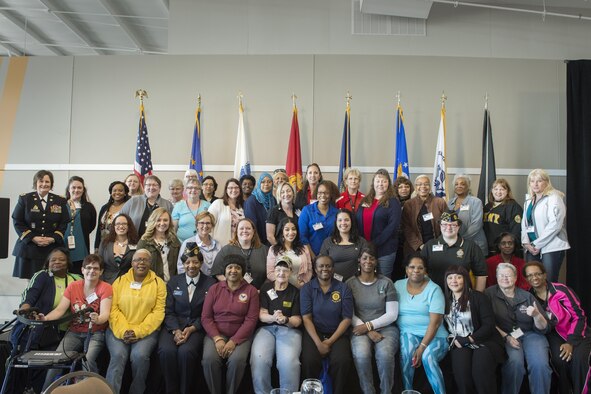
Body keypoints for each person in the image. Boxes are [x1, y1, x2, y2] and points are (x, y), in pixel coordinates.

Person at [9, 248, 81, 393]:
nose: (57, 262)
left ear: (68, 263)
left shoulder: (77, 279)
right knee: (31, 365)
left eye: (61, 259)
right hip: (42, 331)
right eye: (53, 259)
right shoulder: (42, 276)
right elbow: (30, 296)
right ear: (47, 263)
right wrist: (25, 310)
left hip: (68, 332)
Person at [40, 254, 113, 389]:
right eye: (89, 268)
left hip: (95, 333)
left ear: (101, 271)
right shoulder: (73, 286)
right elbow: (59, 311)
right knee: (56, 359)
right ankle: (46, 391)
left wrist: (97, 319)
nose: (92, 271)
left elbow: (105, 315)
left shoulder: (106, 287)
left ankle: (90, 390)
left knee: (88, 360)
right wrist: (45, 319)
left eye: (96, 268)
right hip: (74, 332)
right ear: (82, 270)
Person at [524, 261, 591, 394]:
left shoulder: (561, 290)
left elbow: (579, 316)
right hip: (553, 335)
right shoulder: (528, 296)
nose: (535, 278)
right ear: (526, 279)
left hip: (577, 332)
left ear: (544, 275)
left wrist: (570, 342)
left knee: (579, 359)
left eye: (538, 274)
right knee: (559, 360)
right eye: (530, 275)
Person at [106, 249, 166, 394]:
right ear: (132, 263)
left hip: (146, 332)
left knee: (139, 356)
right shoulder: (119, 281)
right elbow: (113, 310)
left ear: (150, 263)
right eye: (138, 259)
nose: (141, 263)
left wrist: (137, 332)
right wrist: (124, 331)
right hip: (119, 329)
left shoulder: (159, 284)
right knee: (118, 356)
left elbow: (158, 313)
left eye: (145, 260)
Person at [485, 263, 551, 394]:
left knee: (540, 365)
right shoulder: (489, 294)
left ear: (515, 278)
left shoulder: (527, 296)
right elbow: (486, 321)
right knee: (515, 364)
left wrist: (537, 315)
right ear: (497, 277)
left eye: (508, 275)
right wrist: (506, 336)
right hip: (506, 336)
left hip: (531, 334)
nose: (505, 278)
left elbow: (544, 328)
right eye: (501, 275)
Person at [158, 246, 216, 394]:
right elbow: (168, 311)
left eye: (195, 262)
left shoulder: (211, 284)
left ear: (201, 263)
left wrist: (192, 328)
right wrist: (176, 330)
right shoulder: (173, 281)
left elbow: (208, 313)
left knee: (186, 352)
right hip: (173, 326)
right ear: (183, 264)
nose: (191, 266)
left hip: (197, 326)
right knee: (166, 351)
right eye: (188, 262)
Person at [201, 254, 259, 394]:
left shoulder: (251, 291)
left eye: (238, 268)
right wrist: (217, 338)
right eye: (230, 267)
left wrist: (234, 341)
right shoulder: (214, 289)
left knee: (237, 361)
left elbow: (251, 320)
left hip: (240, 335)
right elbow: (206, 317)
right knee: (209, 360)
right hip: (216, 334)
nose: (233, 270)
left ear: (242, 272)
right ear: (224, 271)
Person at [442, 265, 505, 394]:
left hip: (483, 341)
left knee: (480, 372)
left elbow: (489, 325)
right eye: (450, 277)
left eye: (458, 277)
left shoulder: (478, 297)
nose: (454, 281)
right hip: (459, 342)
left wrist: (469, 339)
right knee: (462, 374)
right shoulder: (444, 300)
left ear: (465, 279)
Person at [347, 245, 399, 394]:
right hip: (359, 327)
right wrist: (367, 329)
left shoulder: (386, 282)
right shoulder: (350, 283)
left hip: (386, 328)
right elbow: (348, 314)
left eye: (371, 258)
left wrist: (370, 326)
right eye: (364, 258)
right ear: (359, 261)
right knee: (362, 355)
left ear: (376, 262)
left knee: (384, 355)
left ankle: (386, 391)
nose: (368, 261)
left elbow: (392, 314)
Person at [395, 254, 448, 394]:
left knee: (427, 357)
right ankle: (408, 391)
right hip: (408, 332)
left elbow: (435, 324)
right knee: (406, 353)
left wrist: (422, 347)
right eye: (412, 267)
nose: (416, 270)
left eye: (420, 268)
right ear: (406, 269)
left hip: (435, 336)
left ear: (425, 271)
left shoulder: (434, 290)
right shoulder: (397, 285)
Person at [300, 255, 353, 394]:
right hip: (314, 332)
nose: (325, 269)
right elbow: (306, 318)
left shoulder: (343, 288)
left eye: (328, 266)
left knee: (342, 361)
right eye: (321, 266)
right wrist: (319, 343)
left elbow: (347, 318)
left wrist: (329, 342)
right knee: (309, 360)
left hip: (337, 332)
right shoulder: (307, 288)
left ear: (333, 268)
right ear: (316, 269)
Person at [250, 257, 302, 394]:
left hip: (288, 330)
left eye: (285, 270)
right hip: (266, 328)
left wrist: (285, 319)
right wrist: (273, 317)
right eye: (278, 270)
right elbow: (261, 314)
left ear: (290, 272)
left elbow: (297, 320)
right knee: (259, 359)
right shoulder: (266, 287)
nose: (281, 273)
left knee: (289, 362)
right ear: (274, 271)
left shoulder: (295, 292)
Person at [12, 170, 69, 279]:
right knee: (32, 283)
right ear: (35, 183)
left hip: (52, 248)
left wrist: (53, 238)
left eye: (47, 181)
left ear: (51, 184)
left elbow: (64, 222)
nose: (44, 184)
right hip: (30, 248)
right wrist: (32, 237)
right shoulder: (25, 199)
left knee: (52, 280)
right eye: (41, 181)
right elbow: (17, 220)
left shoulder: (60, 200)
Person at [522, 168, 570, 283]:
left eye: (539, 181)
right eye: (532, 181)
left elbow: (555, 225)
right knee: (532, 282)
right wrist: (526, 243)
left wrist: (537, 244)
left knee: (549, 281)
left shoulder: (554, 198)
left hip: (551, 246)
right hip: (531, 248)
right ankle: (536, 302)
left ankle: (550, 302)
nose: (535, 184)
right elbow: (524, 224)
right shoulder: (528, 201)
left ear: (546, 182)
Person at [421, 211, 488, 291]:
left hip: (463, 296)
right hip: (435, 296)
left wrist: (477, 298)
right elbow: (421, 272)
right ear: (440, 225)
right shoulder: (429, 246)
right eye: (445, 224)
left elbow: (481, 275)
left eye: (453, 225)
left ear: (458, 226)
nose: (448, 228)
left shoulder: (470, 247)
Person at [356, 169, 402, 278]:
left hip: (384, 250)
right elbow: (357, 220)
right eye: (378, 181)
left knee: (382, 280)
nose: (380, 184)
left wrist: (374, 243)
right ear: (373, 183)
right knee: (365, 278)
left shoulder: (393, 202)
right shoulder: (366, 200)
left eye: (384, 181)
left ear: (388, 184)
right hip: (364, 249)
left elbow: (392, 227)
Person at [211, 218, 269, 289]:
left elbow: (271, 273)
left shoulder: (265, 250)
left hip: (259, 293)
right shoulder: (227, 250)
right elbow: (217, 272)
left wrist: (262, 290)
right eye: (241, 228)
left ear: (253, 231)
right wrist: (233, 285)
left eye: (248, 228)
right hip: (233, 293)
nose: (244, 231)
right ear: (236, 232)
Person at [401, 174, 447, 256]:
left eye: (426, 184)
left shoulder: (440, 202)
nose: (423, 187)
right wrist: (420, 245)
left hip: (437, 245)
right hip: (415, 248)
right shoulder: (409, 204)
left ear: (430, 187)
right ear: (415, 187)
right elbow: (406, 227)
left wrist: (440, 242)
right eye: (419, 184)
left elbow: (447, 224)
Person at [320, 209, 368, 281]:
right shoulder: (328, 242)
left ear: (351, 222)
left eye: (346, 220)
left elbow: (367, 263)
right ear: (336, 223)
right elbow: (321, 264)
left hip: (356, 283)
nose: (343, 223)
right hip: (333, 283)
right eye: (340, 220)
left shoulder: (361, 241)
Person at [266, 217, 313, 288]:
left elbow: (309, 270)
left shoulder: (304, 248)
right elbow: (270, 273)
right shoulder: (273, 249)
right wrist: (285, 285)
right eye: (287, 229)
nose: (291, 232)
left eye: (293, 229)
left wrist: (303, 283)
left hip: (300, 288)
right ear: (282, 231)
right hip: (282, 288)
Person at [64, 176, 97, 275]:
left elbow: (91, 226)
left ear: (83, 190)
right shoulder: (61, 205)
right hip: (63, 245)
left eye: (79, 188)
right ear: (69, 189)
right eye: (73, 187)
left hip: (81, 248)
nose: (76, 190)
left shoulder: (89, 207)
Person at [448, 174, 487, 256]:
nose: (459, 186)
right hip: (456, 245)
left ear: (468, 186)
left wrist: (461, 240)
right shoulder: (449, 203)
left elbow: (476, 225)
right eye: (456, 184)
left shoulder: (476, 202)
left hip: (474, 244)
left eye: (462, 184)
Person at [137, 207, 181, 282]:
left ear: (170, 222)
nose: (162, 223)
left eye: (165, 220)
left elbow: (179, 265)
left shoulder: (174, 240)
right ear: (153, 221)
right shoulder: (144, 242)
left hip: (172, 284)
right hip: (152, 285)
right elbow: (139, 267)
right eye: (158, 220)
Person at [483, 179, 523, 256]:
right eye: (496, 189)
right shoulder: (487, 207)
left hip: (504, 251)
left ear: (507, 191)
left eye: (502, 189)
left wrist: (509, 246)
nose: (498, 192)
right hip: (488, 249)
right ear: (492, 191)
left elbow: (516, 231)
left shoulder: (513, 206)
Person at [298, 180, 339, 256]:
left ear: (331, 195)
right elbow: (303, 237)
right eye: (320, 193)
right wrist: (313, 257)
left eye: (326, 193)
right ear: (316, 194)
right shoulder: (307, 211)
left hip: (332, 257)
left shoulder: (337, 213)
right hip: (311, 255)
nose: (322, 195)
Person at [99, 213, 139, 284]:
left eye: (124, 224)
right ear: (114, 226)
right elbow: (100, 264)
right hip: (107, 283)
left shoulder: (136, 244)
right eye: (118, 224)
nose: (121, 226)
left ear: (129, 226)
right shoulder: (105, 243)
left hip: (127, 283)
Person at [177, 211, 221, 276]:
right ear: (197, 225)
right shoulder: (188, 243)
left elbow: (220, 267)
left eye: (208, 223)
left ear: (212, 226)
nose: (205, 226)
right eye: (202, 223)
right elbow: (181, 268)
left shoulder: (217, 245)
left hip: (214, 282)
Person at [95, 181, 130, 252]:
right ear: (111, 193)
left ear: (125, 193)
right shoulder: (105, 208)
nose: (117, 193)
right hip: (103, 244)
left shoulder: (128, 207)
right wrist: (96, 246)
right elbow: (99, 229)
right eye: (114, 190)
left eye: (120, 190)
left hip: (120, 245)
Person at [172, 178, 210, 242]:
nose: (193, 190)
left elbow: (211, 226)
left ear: (200, 191)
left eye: (196, 188)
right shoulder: (178, 206)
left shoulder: (208, 205)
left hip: (203, 244)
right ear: (186, 190)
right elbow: (173, 229)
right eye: (190, 188)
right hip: (181, 244)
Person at [208, 178, 245, 247]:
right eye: (230, 188)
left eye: (236, 187)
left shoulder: (243, 206)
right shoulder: (218, 203)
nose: (234, 190)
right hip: (220, 246)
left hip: (239, 245)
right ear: (226, 190)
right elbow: (208, 223)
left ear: (240, 190)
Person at [244, 172, 276, 246]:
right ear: (259, 184)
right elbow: (251, 224)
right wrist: (257, 243)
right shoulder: (252, 200)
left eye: (269, 182)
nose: (266, 184)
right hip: (257, 242)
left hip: (271, 240)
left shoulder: (273, 199)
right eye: (263, 182)